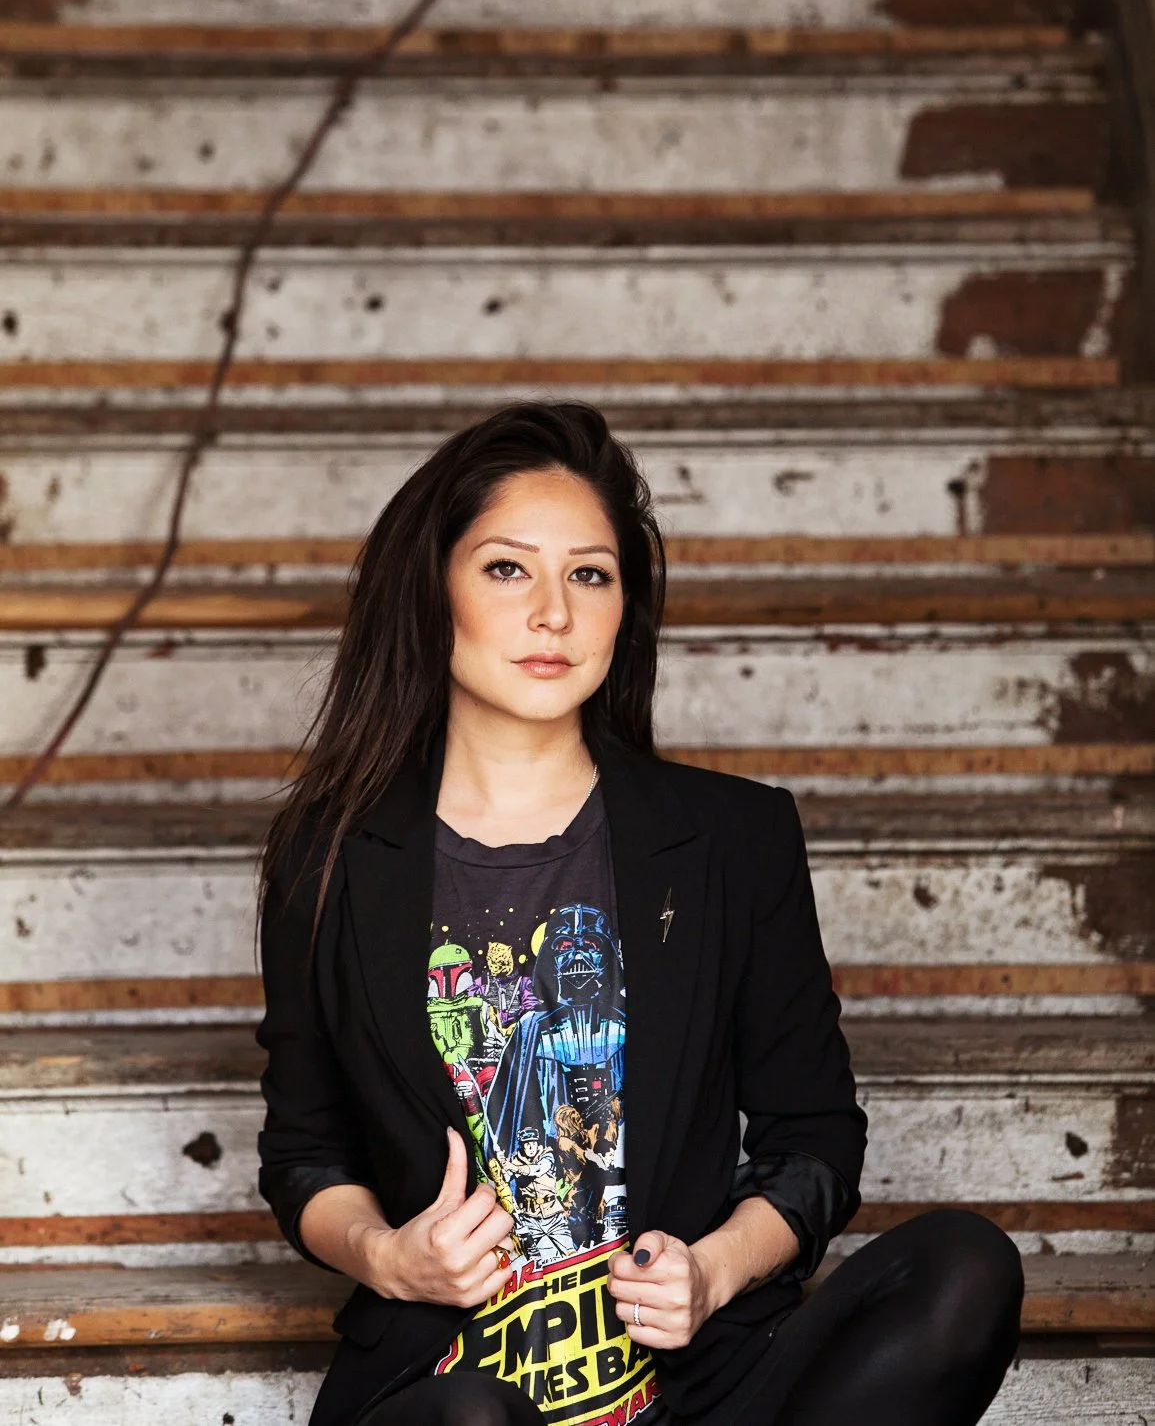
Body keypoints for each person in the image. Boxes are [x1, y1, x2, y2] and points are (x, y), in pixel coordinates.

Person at [256, 400, 1025, 1426]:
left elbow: (814, 1137)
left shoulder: (730, 837)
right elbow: (306, 1153)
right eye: (505, 568)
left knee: (964, 1266)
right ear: (431, 590)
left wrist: (712, 1271)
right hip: (450, 1389)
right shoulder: (333, 853)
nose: (553, 613)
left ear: (625, 609)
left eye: (589, 573)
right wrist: (390, 1256)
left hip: (702, 1386)